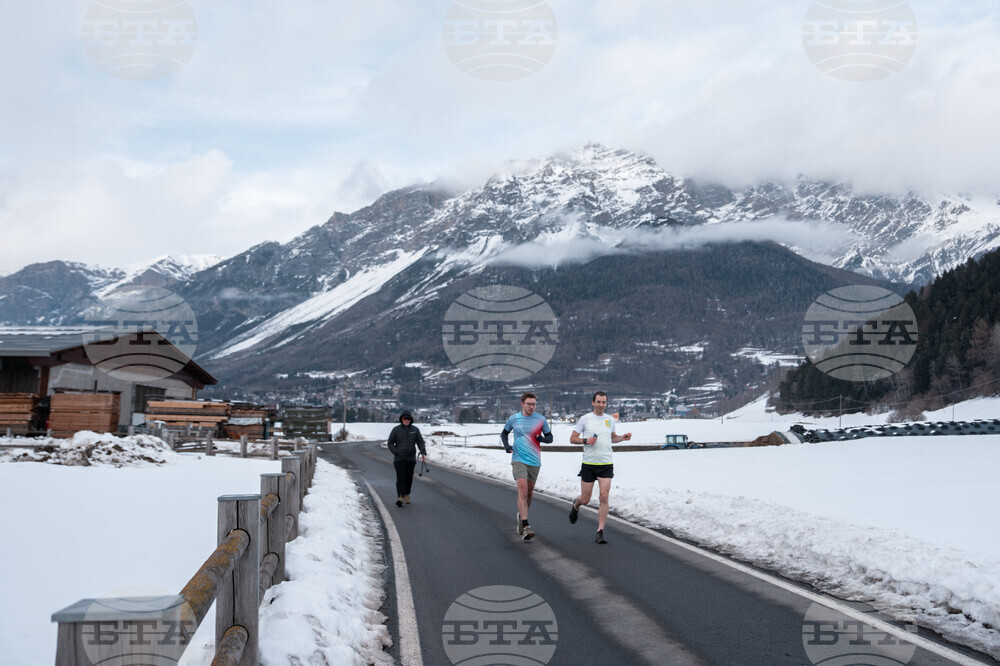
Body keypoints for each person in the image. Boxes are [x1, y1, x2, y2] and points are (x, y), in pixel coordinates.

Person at [568, 391, 631, 544]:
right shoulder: (585, 419)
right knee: (585, 499)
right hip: (589, 464)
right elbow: (572, 439)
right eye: (598, 402)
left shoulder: (610, 420)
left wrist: (622, 438)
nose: (601, 405)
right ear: (593, 402)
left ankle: (600, 531)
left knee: (604, 496)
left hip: (606, 464)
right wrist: (585, 441)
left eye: (603, 402)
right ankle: (576, 505)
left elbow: (613, 438)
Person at [501, 392, 553, 541]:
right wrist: (507, 446)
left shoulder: (541, 419)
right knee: (523, 492)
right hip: (518, 459)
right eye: (529, 404)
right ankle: (526, 526)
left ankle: (521, 517)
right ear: (522, 404)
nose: (532, 407)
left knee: (529, 494)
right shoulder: (514, 419)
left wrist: (541, 438)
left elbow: (550, 438)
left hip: (534, 461)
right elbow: (504, 434)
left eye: (534, 404)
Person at [386, 411, 426, 507]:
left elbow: (420, 441)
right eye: (404, 419)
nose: (406, 420)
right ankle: (400, 496)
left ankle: (407, 494)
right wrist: (396, 452)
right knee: (401, 478)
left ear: (411, 420)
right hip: (399, 459)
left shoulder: (415, 430)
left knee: (409, 478)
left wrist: (423, 451)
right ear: (401, 419)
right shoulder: (396, 430)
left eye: (408, 419)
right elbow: (390, 443)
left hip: (411, 459)